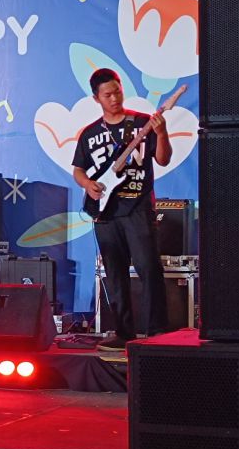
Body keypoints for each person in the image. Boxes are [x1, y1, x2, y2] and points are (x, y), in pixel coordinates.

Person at [72, 68, 172, 351]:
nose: (114, 98)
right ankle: (123, 331)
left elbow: (163, 159)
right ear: (96, 98)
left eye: (117, 91)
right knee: (115, 274)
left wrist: (161, 132)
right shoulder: (90, 133)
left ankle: (156, 331)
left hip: (138, 208)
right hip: (105, 212)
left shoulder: (141, 123)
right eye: (108, 95)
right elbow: (78, 169)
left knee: (149, 269)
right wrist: (88, 185)